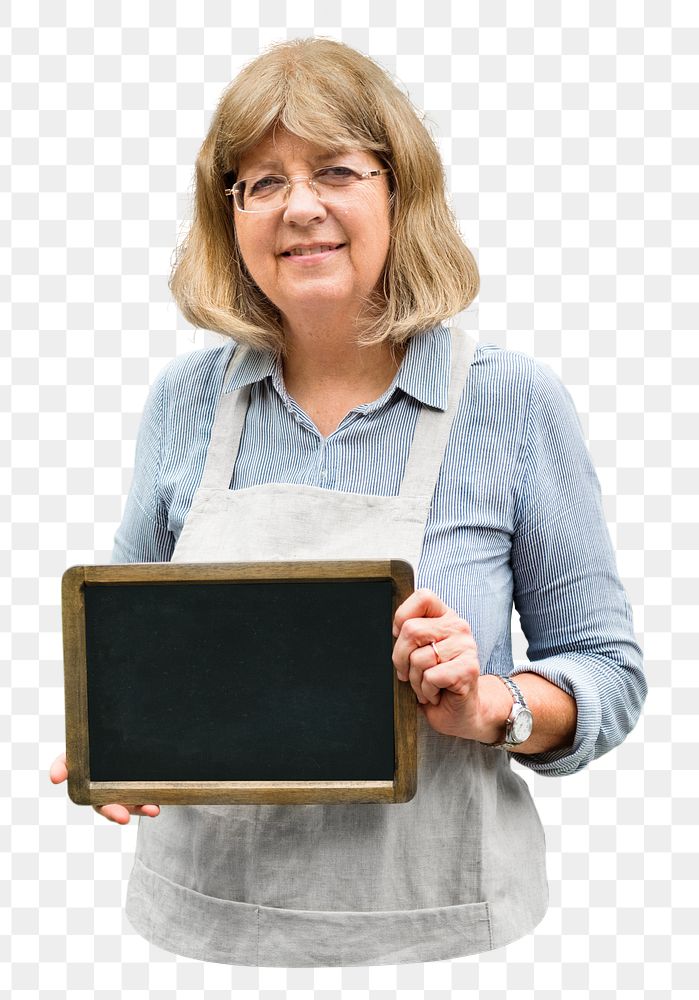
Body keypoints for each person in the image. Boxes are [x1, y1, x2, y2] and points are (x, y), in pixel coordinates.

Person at [50, 37, 646, 967]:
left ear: (397, 193)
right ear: (232, 215)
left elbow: (608, 671)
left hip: (441, 943)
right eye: (262, 182)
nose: (301, 207)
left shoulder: (512, 403)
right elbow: (130, 646)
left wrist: (493, 703)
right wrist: (109, 745)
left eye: (335, 170)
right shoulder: (185, 402)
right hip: (203, 939)